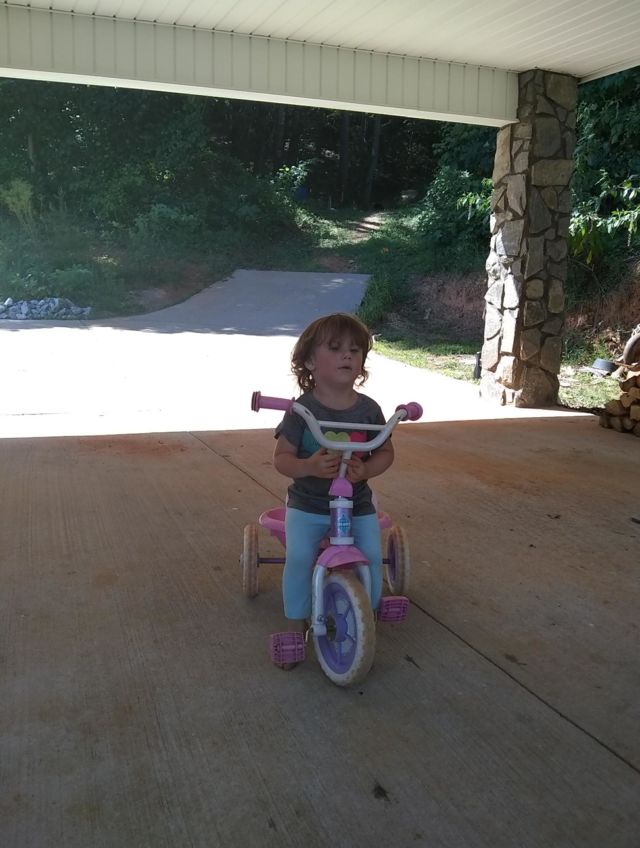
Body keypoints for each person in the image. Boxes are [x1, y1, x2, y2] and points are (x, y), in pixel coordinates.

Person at [273, 313, 394, 659]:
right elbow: (282, 459)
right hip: (307, 504)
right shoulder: (301, 410)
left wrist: (365, 469)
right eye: (336, 348)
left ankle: (366, 613)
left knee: (371, 556)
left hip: (357, 503)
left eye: (355, 350)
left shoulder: (369, 410)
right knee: (299, 557)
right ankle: (294, 620)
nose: (347, 355)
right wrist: (308, 466)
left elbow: (386, 452)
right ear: (310, 362)